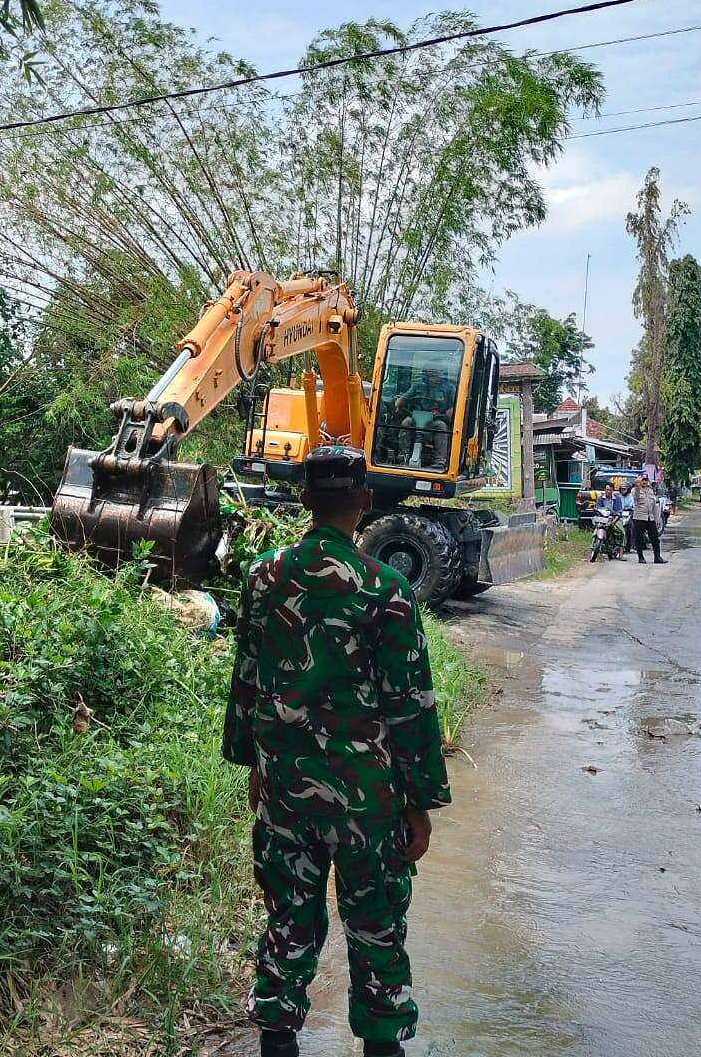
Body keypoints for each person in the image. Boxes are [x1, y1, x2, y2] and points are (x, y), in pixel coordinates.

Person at [224, 445, 450, 1057]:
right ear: (366, 501)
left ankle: (277, 1040)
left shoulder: (264, 577)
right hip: (367, 801)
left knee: (287, 923)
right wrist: (421, 801)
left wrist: (254, 766)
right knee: (376, 929)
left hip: (285, 793)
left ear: (302, 498)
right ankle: (382, 1046)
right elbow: (411, 706)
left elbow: (248, 678)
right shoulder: (388, 589)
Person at [392, 366, 454, 472]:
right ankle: (403, 456)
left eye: (438, 375)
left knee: (441, 426)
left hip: (436, 419)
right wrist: (399, 403)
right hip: (416, 418)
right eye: (432, 374)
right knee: (406, 423)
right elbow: (404, 399)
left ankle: (440, 460)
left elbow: (455, 406)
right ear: (427, 375)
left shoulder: (449, 388)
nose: (435, 378)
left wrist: (450, 412)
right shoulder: (418, 386)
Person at [630, 475, 667, 565]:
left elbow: (654, 506)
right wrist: (637, 484)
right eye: (643, 480)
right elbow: (636, 497)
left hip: (650, 517)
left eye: (646, 480)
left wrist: (657, 519)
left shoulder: (650, 491)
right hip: (639, 517)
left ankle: (657, 557)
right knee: (639, 538)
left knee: (654, 537)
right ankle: (641, 557)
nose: (645, 482)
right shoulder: (635, 490)